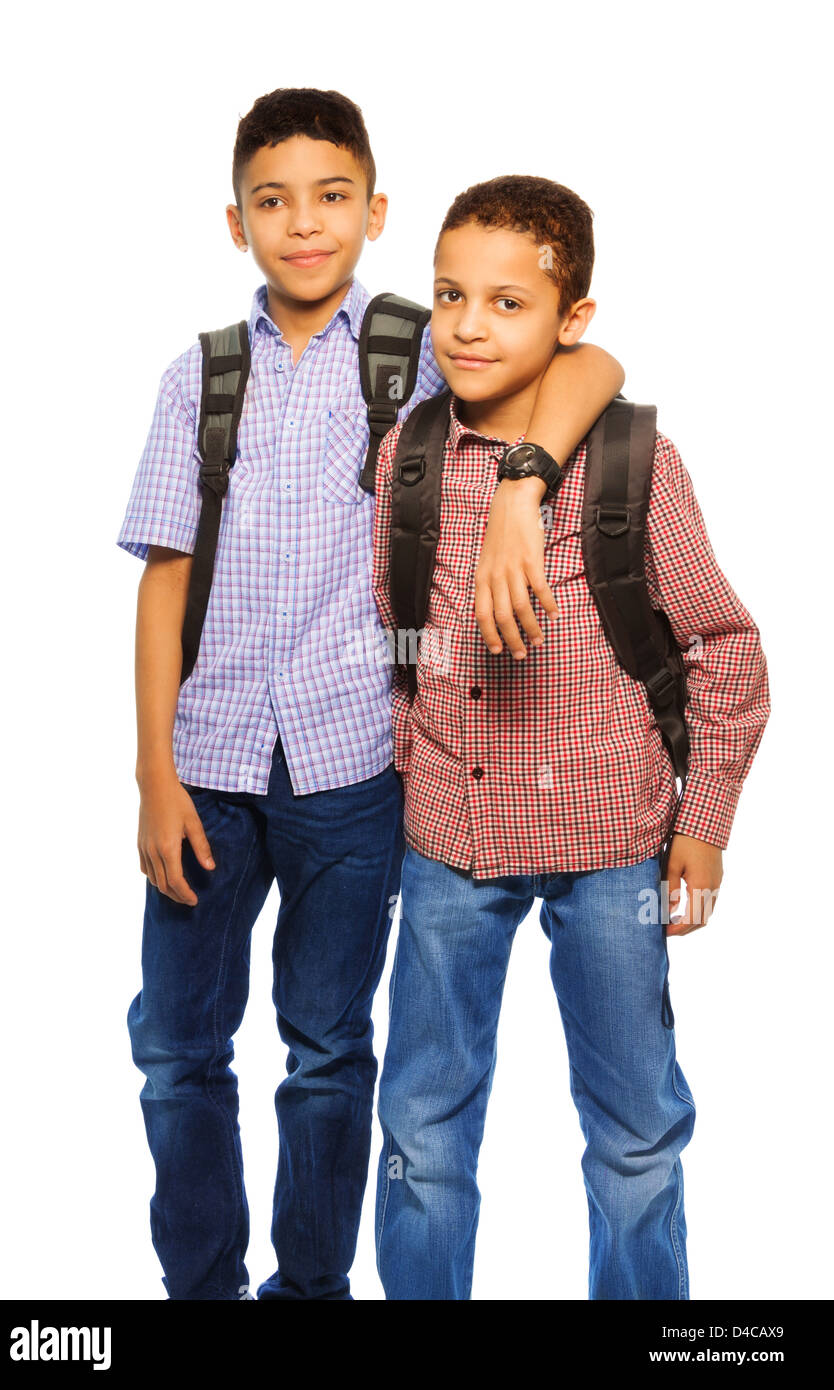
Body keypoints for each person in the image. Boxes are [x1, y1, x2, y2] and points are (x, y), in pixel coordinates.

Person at [116, 93, 625, 1301]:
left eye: (331, 196)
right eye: (273, 201)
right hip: (211, 767)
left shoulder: (415, 354)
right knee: (178, 1052)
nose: (304, 224)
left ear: (374, 211)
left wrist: (517, 490)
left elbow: (591, 361)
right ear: (234, 222)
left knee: (330, 1049)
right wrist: (152, 772)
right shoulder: (202, 379)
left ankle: (310, 1291)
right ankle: (201, 1289)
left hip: (353, 771)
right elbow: (161, 585)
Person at [371, 174, 771, 1300]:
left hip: (613, 841)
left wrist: (705, 825)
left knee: (636, 1130)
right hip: (449, 839)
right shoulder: (406, 461)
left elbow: (725, 649)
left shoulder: (634, 463)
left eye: (506, 302)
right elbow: (398, 642)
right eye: (450, 295)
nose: (466, 325)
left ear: (570, 321)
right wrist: (407, 788)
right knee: (420, 1130)